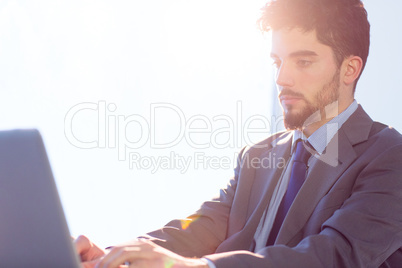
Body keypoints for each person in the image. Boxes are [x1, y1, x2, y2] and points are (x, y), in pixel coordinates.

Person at [75, 0, 402, 267]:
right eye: (277, 61)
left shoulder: (389, 156)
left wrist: (199, 267)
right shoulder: (257, 156)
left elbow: (334, 256)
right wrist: (117, 256)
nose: (282, 78)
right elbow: (200, 226)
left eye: (303, 62)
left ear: (350, 69)